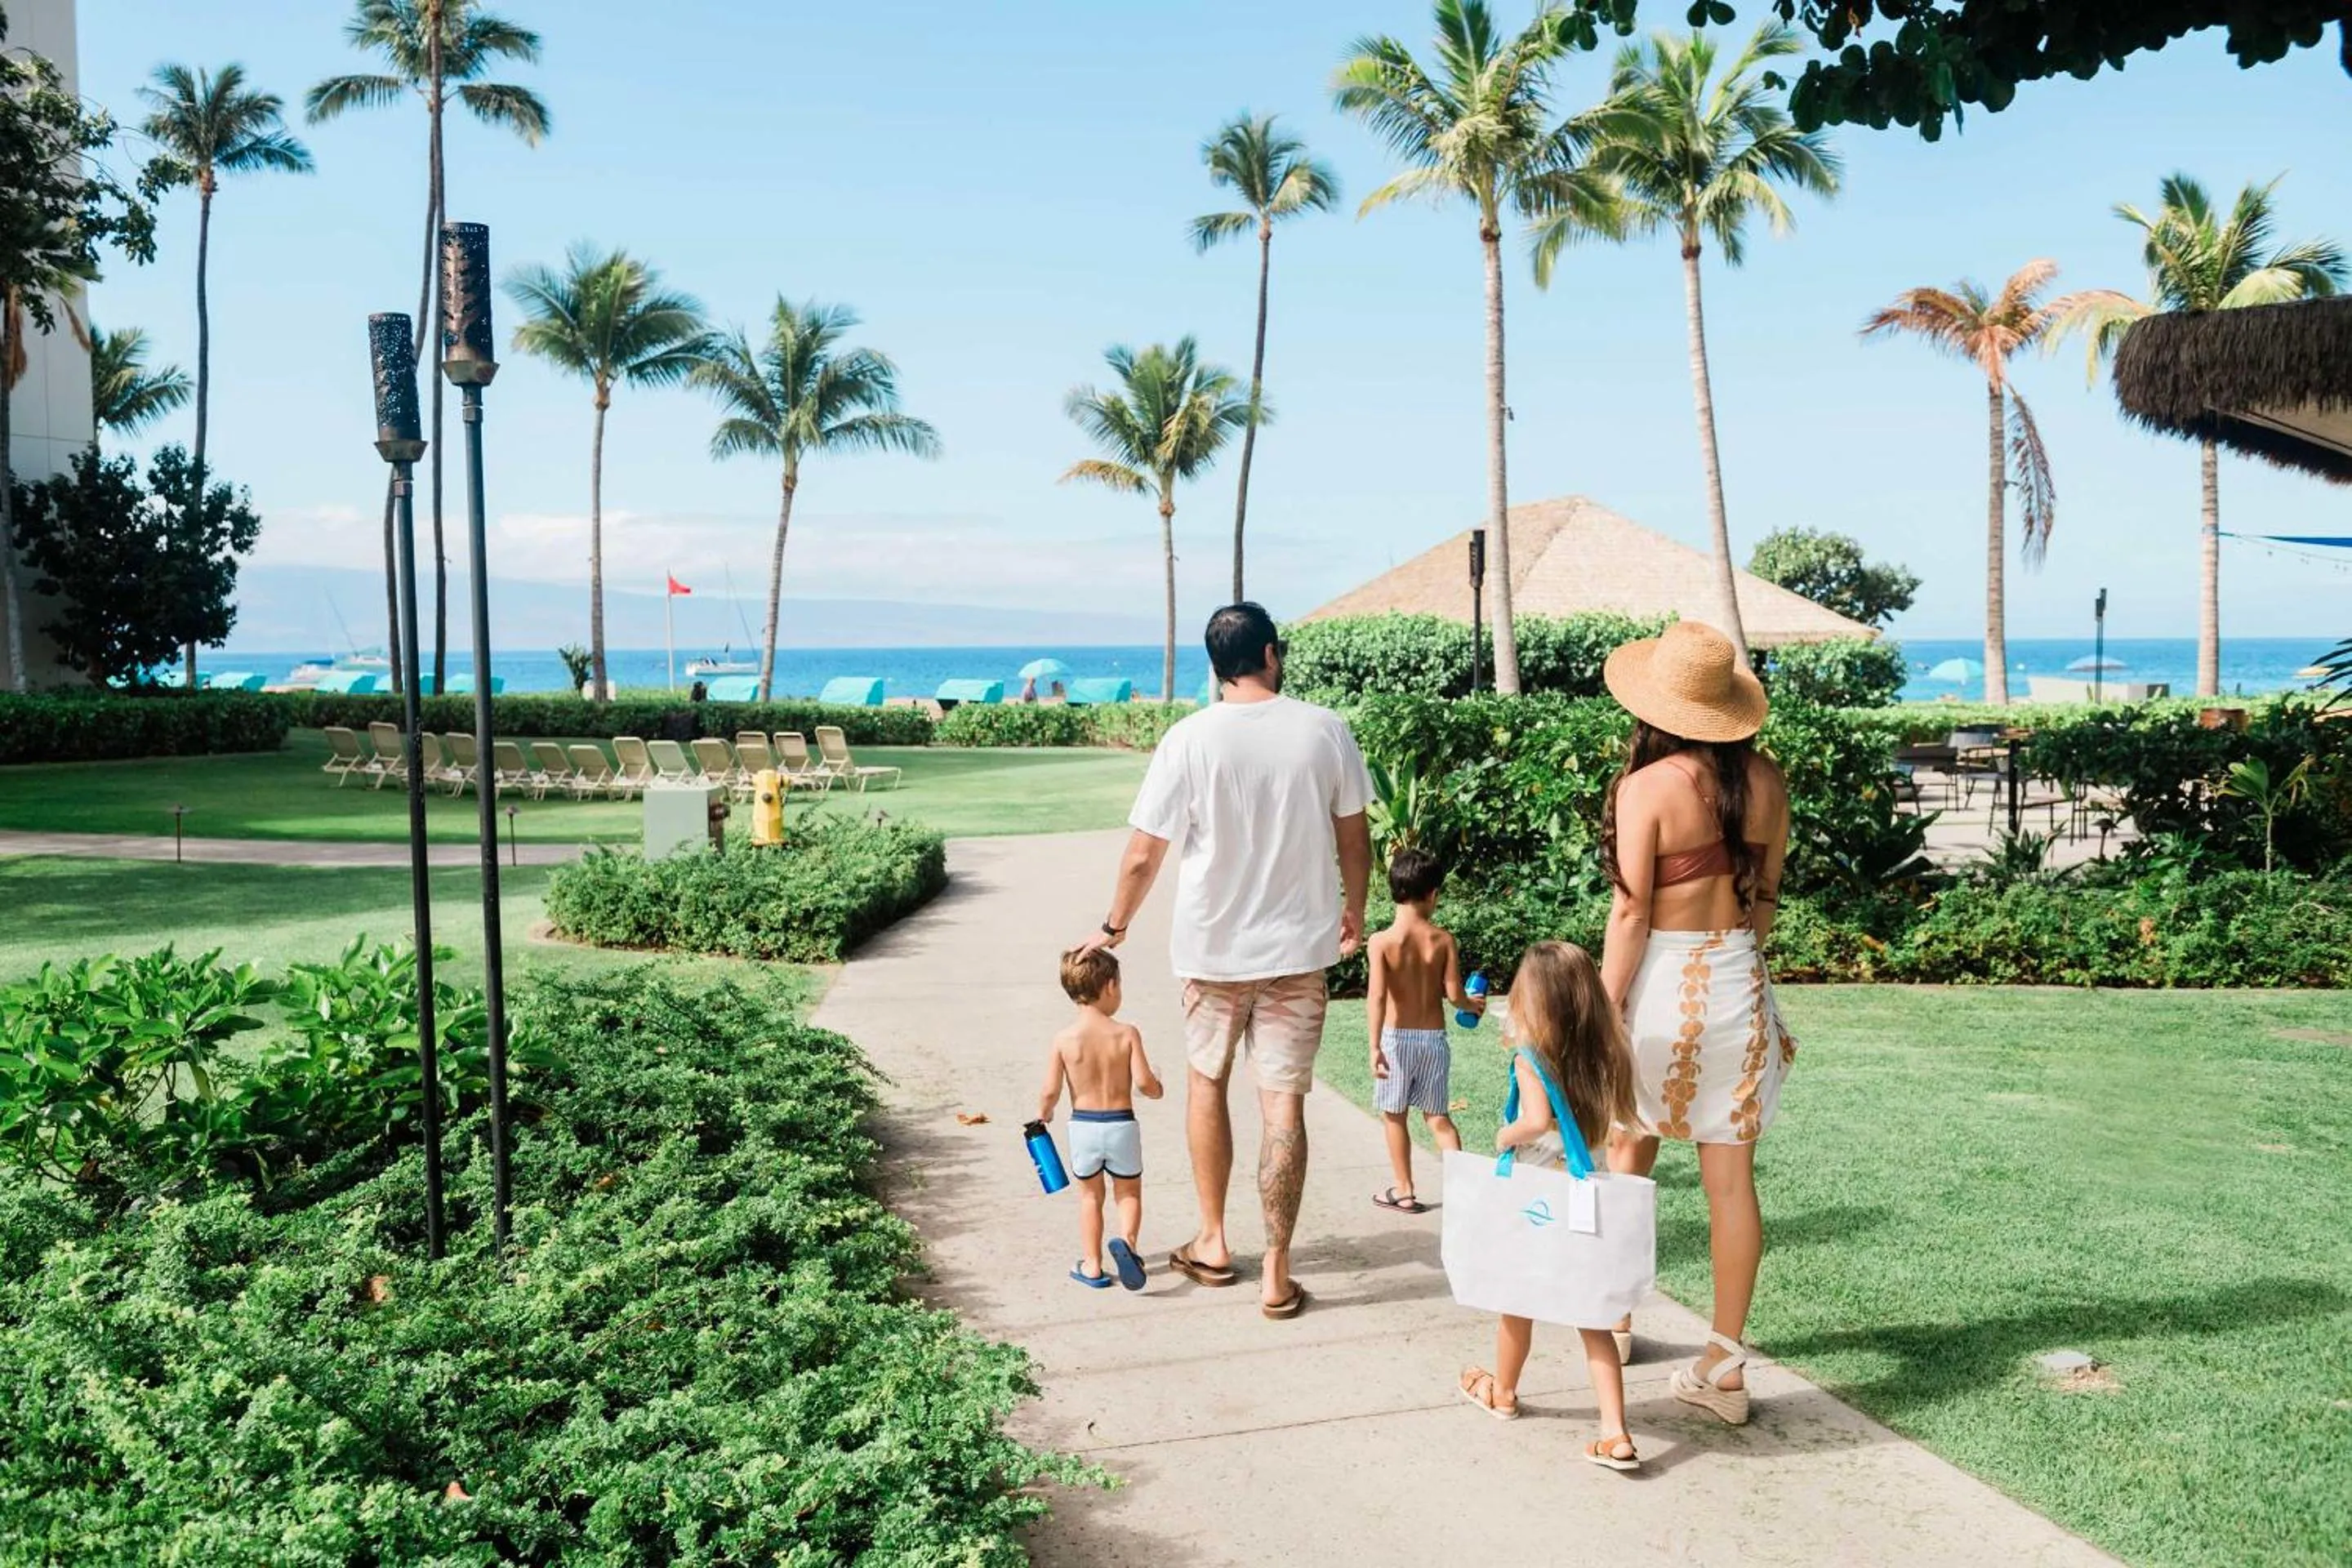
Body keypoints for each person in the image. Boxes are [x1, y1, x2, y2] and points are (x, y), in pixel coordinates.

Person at [1079, 603, 1373, 1320]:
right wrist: (1356, 914)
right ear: (1271, 654)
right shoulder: (1324, 729)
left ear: (1216, 665)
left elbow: (1146, 852)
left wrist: (1114, 927)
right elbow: (1355, 838)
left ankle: (1212, 1241)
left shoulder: (1188, 738)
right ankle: (1277, 1272)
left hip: (1212, 952)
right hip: (1299, 953)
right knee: (1283, 1103)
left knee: (1207, 1082)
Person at [1595, 620, 1795, 1426]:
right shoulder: (1770, 782)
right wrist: (1733, 959)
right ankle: (1725, 1366)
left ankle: (1613, 1320)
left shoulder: (1646, 787)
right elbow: (1768, 900)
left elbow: (1629, 914)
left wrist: (1601, 1008)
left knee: (1628, 1147)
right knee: (1730, 1181)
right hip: (1739, 984)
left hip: (1662, 986)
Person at [1454, 941, 1645, 1471]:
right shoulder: (1608, 1049)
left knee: (1516, 1298)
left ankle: (1504, 1392)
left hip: (1539, 1193)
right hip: (1585, 1193)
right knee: (1593, 1316)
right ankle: (1616, 1432)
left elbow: (1535, 1121)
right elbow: (1615, 1121)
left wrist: (1502, 1134)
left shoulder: (1531, 1055)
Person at [1038, 947, 1164, 1291]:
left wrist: (1044, 1113)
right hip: (1121, 1124)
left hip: (1084, 1127)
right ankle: (1129, 1245)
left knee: (1091, 1197)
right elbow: (1144, 1082)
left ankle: (1092, 1265)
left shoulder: (1063, 1039)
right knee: (1129, 1192)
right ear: (1110, 987)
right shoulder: (1126, 1034)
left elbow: (1050, 1090)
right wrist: (1157, 1089)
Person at [1365, 845, 1483, 1214]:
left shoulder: (1382, 942)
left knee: (1394, 1115)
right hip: (1433, 1040)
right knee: (1437, 1117)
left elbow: (1378, 997)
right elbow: (1454, 995)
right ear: (1432, 894)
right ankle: (1464, 1192)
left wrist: (1374, 1047)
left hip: (1396, 1040)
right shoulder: (1443, 940)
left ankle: (1404, 1190)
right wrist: (1472, 1005)